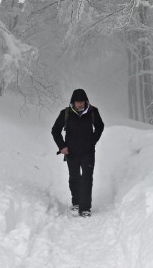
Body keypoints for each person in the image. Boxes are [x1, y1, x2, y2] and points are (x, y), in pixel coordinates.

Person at [51, 89, 104, 217]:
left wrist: (93, 141)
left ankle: (85, 208)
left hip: (88, 152)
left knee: (87, 179)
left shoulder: (92, 112)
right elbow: (55, 130)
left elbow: (100, 126)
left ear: (85, 101)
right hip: (71, 152)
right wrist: (62, 146)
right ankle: (76, 202)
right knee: (74, 177)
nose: (80, 105)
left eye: (82, 102)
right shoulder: (66, 113)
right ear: (73, 102)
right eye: (77, 102)